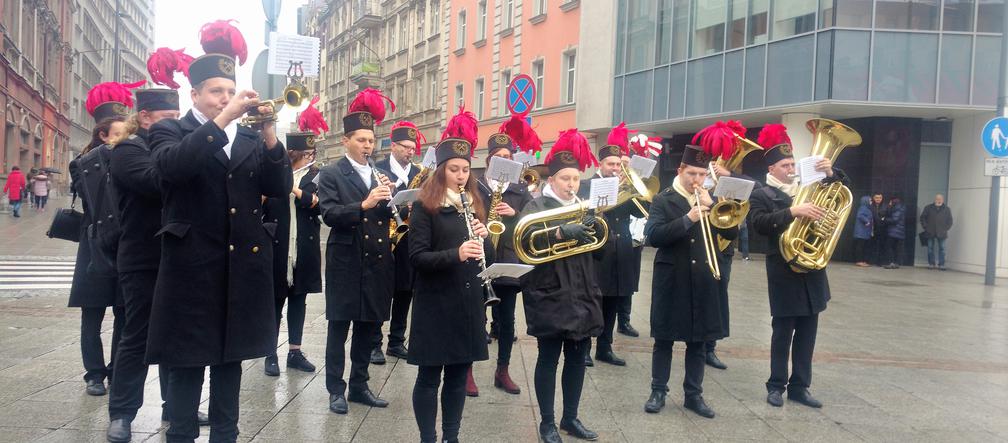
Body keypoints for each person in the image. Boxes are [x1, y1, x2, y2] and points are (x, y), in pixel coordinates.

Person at [146, 21, 292, 442]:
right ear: (194, 95)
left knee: (230, 369)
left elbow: (278, 188)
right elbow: (172, 169)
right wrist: (224, 119)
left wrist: (268, 136)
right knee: (188, 370)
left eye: (230, 92)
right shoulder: (169, 130)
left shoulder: (246, 138)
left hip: (241, 270)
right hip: (192, 270)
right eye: (216, 92)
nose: (225, 100)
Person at [105, 53, 211, 442]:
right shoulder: (127, 150)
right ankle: (122, 412)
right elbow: (157, 181)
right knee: (138, 336)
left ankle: (175, 407)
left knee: (178, 337)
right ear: (145, 118)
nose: (175, 125)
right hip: (144, 259)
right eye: (167, 119)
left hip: (181, 257)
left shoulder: (180, 144)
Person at [748, 123, 849, 409]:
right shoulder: (762, 194)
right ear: (772, 169)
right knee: (783, 332)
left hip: (813, 268)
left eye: (792, 163)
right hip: (783, 269)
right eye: (785, 164)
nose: (791, 168)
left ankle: (801, 386)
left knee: (808, 332)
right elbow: (758, 225)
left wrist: (830, 173)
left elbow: (842, 191)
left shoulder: (811, 185)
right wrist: (792, 211)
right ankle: (776, 385)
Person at [407, 108, 492, 443]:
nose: (460, 174)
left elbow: (483, 257)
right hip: (435, 302)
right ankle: (428, 437)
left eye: (465, 169)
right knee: (430, 377)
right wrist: (455, 254)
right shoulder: (425, 206)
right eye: (453, 169)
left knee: (458, 376)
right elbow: (417, 258)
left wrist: (486, 240)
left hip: (467, 301)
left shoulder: (473, 202)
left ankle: (451, 436)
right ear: (441, 171)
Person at [518, 129, 602, 443]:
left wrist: (595, 229)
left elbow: (600, 252)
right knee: (549, 358)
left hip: (582, 292)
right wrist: (558, 233)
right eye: (565, 179)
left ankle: (570, 417)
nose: (571, 185)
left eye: (575, 179)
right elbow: (522, 241)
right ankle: (548, 422)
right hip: (549, 292)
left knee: (578, 358)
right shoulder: (536, 207)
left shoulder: (585, 206)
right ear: (552, 180)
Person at [316, 88, 396, 414]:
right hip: (346, 260)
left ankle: (360, 385)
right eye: (361, 140)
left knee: (368, 327)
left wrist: (394, 203)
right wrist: (365, 203)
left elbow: (389, 217)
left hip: (377, 261)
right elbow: (330, 214)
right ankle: (336, 388)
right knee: (339, 328)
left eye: (371, 140)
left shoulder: (382, 174)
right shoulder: (332, 173)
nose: (368, 146)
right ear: (346, 141)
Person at [642, 143, 734, 419]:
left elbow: (731, 238)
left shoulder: (713, 199)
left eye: (701, 174)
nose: (696, 180)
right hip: (673, 277)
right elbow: (653, 236)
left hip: (704, 277)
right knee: (665, 338)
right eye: (691, 173)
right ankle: (658, 390)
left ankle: (694, 394)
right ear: (680, 170)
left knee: (699, 340)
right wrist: (689, 217)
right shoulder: (664, 199)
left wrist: (714, 209)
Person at [68, 82, 135, 399]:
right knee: (91, 314)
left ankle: (116, 371)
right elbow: (93, 199)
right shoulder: (82, 163)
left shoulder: (133, 158)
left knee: (124, 313)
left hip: (125, 245)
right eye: (117, 134)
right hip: (95, 245)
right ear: (103, 134)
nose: (123, 140)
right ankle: (94, 373)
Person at [261, 100, 328, 377]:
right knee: (275, 302)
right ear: (296, 153)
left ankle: (295, 351)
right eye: (308, 152)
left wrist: (295, 191)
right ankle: (269, 354)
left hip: (305, 247)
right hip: (277, 246)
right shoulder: (276, 173)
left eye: (313, 152)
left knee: (299, 301)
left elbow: (319, 204)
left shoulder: (317, 176)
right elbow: (260, 202)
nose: (312, 156)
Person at [580, 122, 646, 368]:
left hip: (622, 250)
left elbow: (642, 212)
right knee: (593, 301)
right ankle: (585, 348)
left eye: (618, 165)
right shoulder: (587, 184)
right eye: (611, 164)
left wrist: (635, 184)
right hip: (599, 251)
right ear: (601, 164)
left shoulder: (625, 185)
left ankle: (605, 348)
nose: (615, 168)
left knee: (614, 301)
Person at [478, 115, 536, 396]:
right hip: (480, 259)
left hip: (509, 261)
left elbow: (532, 222)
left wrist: (516, 215)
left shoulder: (520, 190)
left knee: (508, 320)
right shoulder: (476, 187)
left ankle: (503, 370)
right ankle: (467, 370)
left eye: (508, 156)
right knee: (476, 316)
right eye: (498, 156)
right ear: (489, 161)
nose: (503, 159)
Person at [372, 120, 424, 365]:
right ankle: (373, 343)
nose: (410, 151)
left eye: (412, 147)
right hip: (384, 239)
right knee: (381, 293)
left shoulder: (419, 173)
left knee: (405, 292)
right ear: (393, 146)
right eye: (405, 146)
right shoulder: (378, 169)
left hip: (410, 240)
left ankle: (396, 341)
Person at [920, 194, 953, 270]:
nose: (939, 200)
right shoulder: (928, 208)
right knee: (930, 248)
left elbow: (950, 220)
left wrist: (945, 228)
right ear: (935, 199)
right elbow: (922, 218)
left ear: (943, 200)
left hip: (942, 232)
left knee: (942, 248)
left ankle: (941, 264)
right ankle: (931, 263)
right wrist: (926, 227)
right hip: (930, 231)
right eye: (937, 199)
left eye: (940, 199)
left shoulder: (947, 209)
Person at [883, 195, 906, 269]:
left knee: (890, 247)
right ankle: (896, 263)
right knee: (897, 248)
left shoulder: (897, 209)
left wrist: (884, 219)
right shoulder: (900, 208)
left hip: (894, 232)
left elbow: (894, 220)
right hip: (899, 232)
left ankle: (891, 263)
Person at [853, 196, 873, 267]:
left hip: (864, 231)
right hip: (861, 231)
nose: (871, 202)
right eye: (870, 200)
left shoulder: (867, 208)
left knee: (863, 246)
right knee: (860, 246)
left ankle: (862, 261)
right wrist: (867, 221)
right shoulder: (863, 208)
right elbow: (860, 215)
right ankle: (859, 261)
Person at [868, 192, 886, 266]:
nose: (878, 199)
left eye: (880, 198)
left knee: (881, 246)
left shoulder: (885, 206)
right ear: (873, 198)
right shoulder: (870, 206)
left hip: (882, 229)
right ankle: (871, 261)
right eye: (876, 198)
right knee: (871, 246)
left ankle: (880, 262)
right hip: (872, 229)